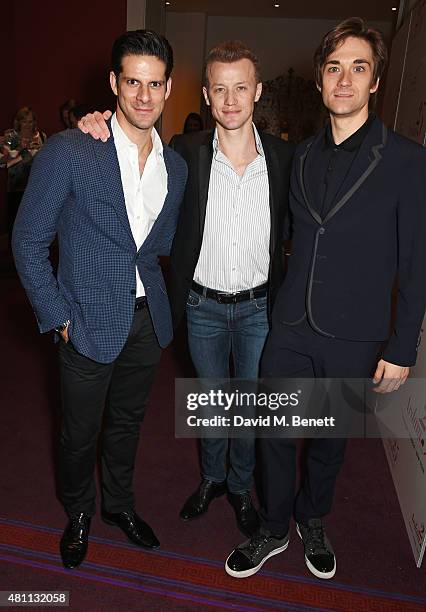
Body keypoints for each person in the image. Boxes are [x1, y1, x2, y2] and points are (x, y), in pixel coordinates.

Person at [224, 17, 426, 580]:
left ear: (375, 81)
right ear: (319, 80)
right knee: (276, 434)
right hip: (290, 323)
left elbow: (416, 263)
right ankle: (273, 527)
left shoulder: (408, 162)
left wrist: (402, 345)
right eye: (334, 68)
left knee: (331, 442)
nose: (345, 79)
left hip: (357, 332)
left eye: (358, 68)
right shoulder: (300, 156)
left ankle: (314, 520)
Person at [78, 41, 294, 537]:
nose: (231, 99)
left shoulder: (284, 157)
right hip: (201, 308)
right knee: (214, 401)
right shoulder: (184, 151)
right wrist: (93, 123)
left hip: (260, 308)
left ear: (257, 91)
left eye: (241, 87)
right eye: (220, 89)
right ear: (205, 95)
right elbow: (126, 144)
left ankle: (241, 487)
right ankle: (212, 479)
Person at [12, 29, 187, 570]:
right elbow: (27, 241)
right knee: (78, 433)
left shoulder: (175, 168)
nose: (142, 96)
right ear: (114, 82)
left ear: (168, 88)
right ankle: (80, 513)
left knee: (127, 424)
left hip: (144, 322)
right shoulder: (70, 150)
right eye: (132, 81)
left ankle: (119, 506)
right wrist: (58, 316)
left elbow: (153, 247)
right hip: (84, 322)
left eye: (153, 84)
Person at [1, 107, 46, 246]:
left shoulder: (41, 136)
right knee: (15, 224)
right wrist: (21, 149)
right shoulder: (11, 137)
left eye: (31, 121)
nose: (28, 125)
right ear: (18, 122)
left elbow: (47, 159)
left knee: (35, 224)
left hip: (36, 186)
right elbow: (2, 162)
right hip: (16, 187)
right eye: (24, 121)